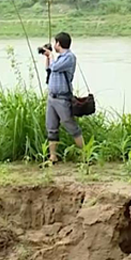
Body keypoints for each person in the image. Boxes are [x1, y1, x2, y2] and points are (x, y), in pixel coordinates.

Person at [43, 32, 84, 164]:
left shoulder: (69, 57)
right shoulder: (59, 57)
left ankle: (85, 154)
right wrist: (48, 57)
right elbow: (49, 69)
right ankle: (52, 157)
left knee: (71, 126)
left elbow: (55, 67)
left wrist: (52, 55)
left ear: (59, 43)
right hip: (52, 98)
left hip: (62, 98)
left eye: (55, 43)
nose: (54, 45)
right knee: (51, 127)